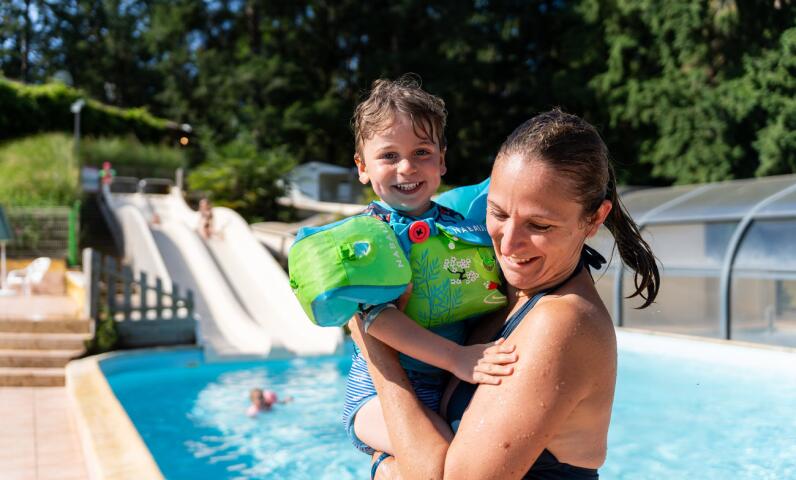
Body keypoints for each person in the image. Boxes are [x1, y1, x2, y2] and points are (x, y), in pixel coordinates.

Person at [351, 109, 660, 479]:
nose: (509, 244)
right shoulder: (502, 287)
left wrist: (373, 343)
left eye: (539, 224)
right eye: (497, 214)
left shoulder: (562, 323)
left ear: (594, 219)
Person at [307, 76, 518, 457]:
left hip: (446, 384)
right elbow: (378, 320)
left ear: (442, 160)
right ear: (362, 166)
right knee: (440, 460)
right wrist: (457, 359)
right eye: (389, 156)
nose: (407, 167)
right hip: (377, 391)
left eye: (422, 152)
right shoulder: (369, 239)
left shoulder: (461, 222)